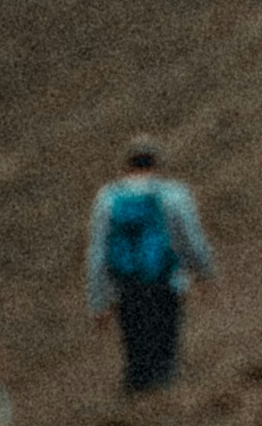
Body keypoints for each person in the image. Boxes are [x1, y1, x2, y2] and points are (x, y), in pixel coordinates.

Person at [84, 141, 216, 396]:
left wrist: (98, 300)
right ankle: (163, 405)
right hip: (165, 282)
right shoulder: (174, 194)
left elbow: (97, 252)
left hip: (127, 288)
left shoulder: (108, 198)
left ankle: (137, 404)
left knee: (136, 351)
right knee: (164, 350)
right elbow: (190, 238)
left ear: (126, 166)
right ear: (156, 164)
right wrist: (204, 272)